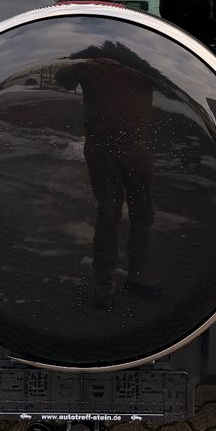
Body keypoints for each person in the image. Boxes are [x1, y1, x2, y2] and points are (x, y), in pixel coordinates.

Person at [55, 46, 159, 309]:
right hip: (104, 149)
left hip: (135, 148)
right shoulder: (95, 67)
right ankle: (104, 282)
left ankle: (136, 274)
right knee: (110, 212)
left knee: (142, 212)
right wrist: (84, 62)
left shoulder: (142, 69)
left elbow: (169, 85)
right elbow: (63, 78)